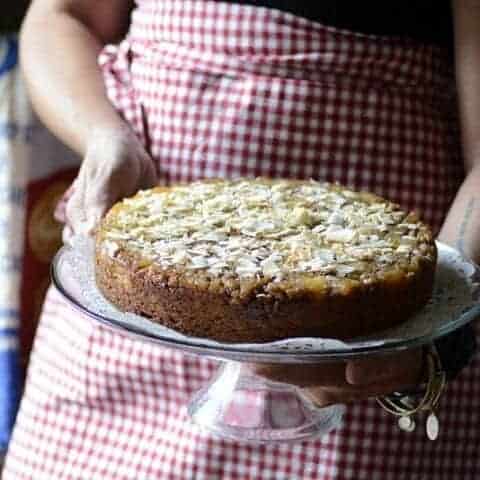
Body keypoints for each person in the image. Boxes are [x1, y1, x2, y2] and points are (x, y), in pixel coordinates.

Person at [3, 0, 480, 478]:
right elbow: (63, 16)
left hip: (361, 344)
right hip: (127, 302)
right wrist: (104, 137)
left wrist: (441, 334)